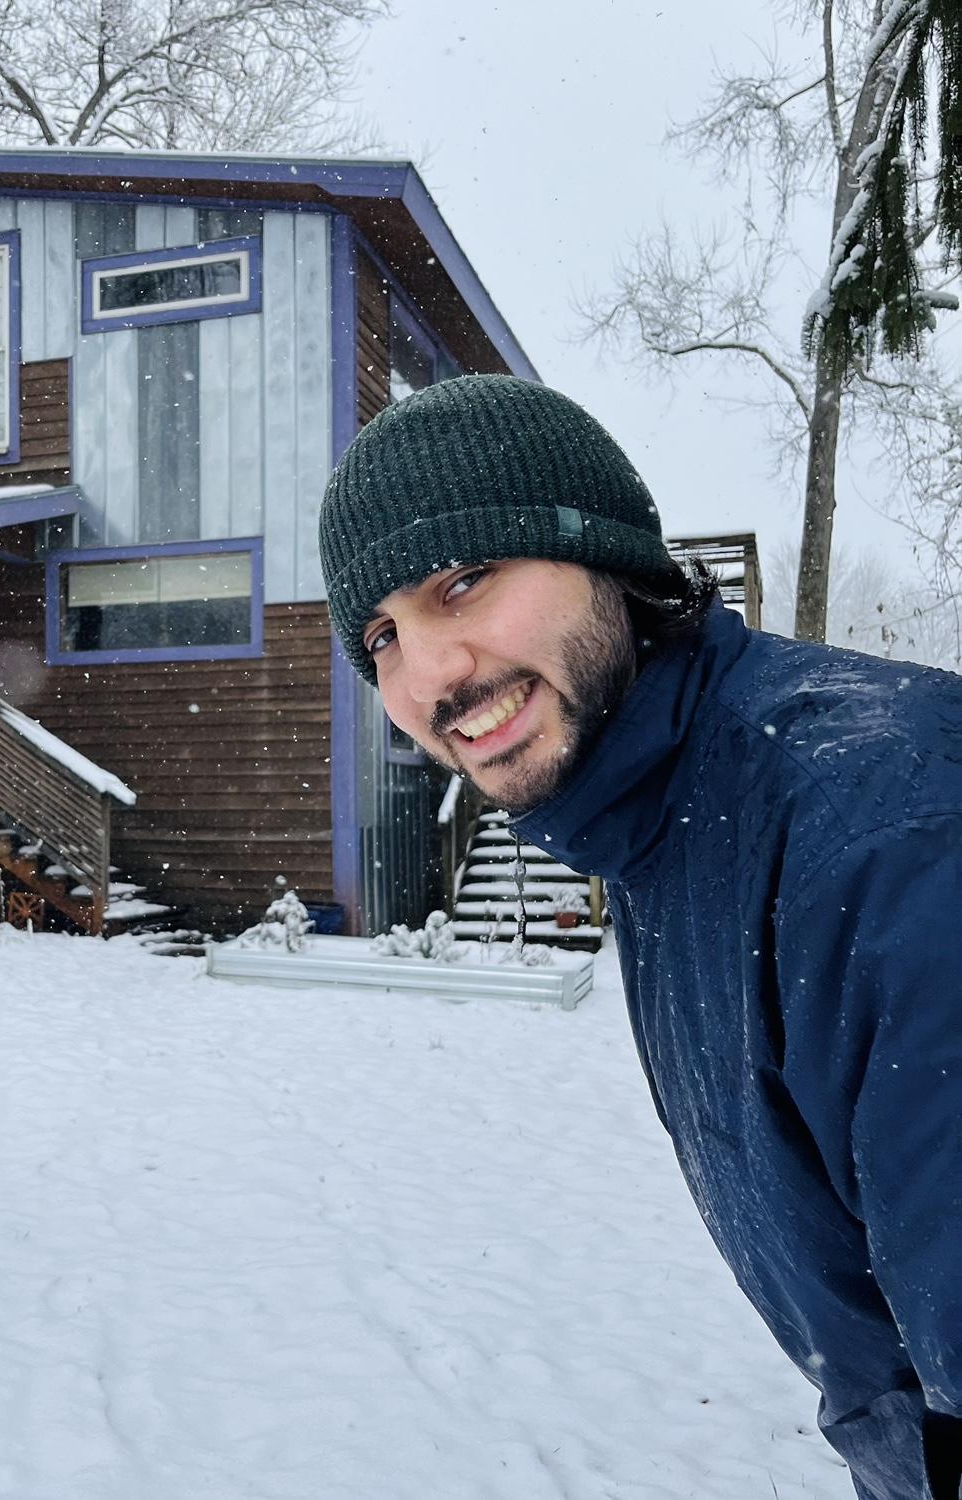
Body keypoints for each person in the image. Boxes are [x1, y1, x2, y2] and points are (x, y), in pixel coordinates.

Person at [318, 374, 962, 1500]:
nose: (429, 678)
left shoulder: (883, 837)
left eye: (464, 581)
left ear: (612, 559)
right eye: (381, 635)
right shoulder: (665, 834)